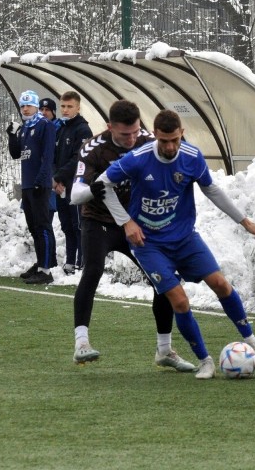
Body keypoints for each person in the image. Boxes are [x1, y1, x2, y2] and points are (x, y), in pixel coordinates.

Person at [96, 109, 255, 379]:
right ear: (154, 135)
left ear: (182, 135)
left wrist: (244, 221)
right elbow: (102, 184)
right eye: (164, 140)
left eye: (174, 140)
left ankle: (254, 345)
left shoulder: (192, 156)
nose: (169, 146)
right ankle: (205, 361)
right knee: (179, 300)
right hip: (149, 243)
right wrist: (125, 222)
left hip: (185, 237)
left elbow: (211, 189)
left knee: (221, 284)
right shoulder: (137, 159)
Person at [67, 100, 194, 371]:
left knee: (164, 279)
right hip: (99, 221)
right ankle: (81, 343)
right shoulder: (93, 148)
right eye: (125, 134)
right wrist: (94, 189)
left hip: (137, 224)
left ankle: (164, 351)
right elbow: (75, 194)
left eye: (136, 132)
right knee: (93, 271)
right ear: (109, 127)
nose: (132, 138)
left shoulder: (149, 141)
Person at [8, 90, 57, 285]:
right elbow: (16, 154)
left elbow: (48, 156)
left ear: (36, 107)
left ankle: (46, 270)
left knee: (43, 225)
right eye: (22, 105)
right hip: (28, 184)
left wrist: (41, 180)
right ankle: (40, 264)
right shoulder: (26, 127)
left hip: (39, 184)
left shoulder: (45, 125)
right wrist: (12, 135)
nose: (25, 108)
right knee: (34, 227)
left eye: (29, 105)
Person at [51, 91, 92, 275]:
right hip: (60, 186)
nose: (65, 110)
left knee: (78, 225)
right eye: (63, 106)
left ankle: (82, 263)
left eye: (69, 106)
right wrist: (55, 179)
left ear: (78, 107)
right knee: (66, 225)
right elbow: (53, 156)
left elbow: (79, 158)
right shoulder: (61, 128)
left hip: (75, 185)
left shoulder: (83, 129)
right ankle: (69, 261)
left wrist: (60, 176)